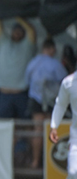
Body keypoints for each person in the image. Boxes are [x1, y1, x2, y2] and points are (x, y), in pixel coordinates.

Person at [26, 38, 67, 169]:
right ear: (51, 49)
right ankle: (48, 164)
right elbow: (65, 82)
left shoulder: (33, 62)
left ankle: (35, 161)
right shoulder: (55, 64)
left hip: (35, 99)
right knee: (51, 130)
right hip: (50, 101)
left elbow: (27, 79)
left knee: (38, 130)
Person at [48, 72, 77, 179]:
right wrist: (54, 126)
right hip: (76, 138)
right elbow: (60, 104)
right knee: (73, 173)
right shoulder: (68, 83)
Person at [0, 20, 36, 119]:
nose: (17, 33)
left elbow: (32, 32)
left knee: (25, 125)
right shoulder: (4, 42)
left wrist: (19, 17)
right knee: (4, 125)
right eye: (15, 31)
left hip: (21, 94)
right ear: (11, 32)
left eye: (20, 31)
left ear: (24, 33)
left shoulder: (28, 46)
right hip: (4, 94)